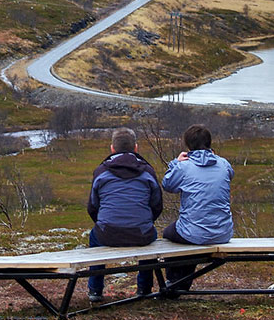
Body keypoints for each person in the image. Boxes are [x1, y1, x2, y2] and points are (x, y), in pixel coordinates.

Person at [87, 127, 162, 302]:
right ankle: (144, 288)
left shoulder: (101, 172)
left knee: (94, 238)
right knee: (152, 237)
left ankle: (95, 290)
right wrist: (144, 222)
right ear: (136, 148)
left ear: (112, 148)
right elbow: (157, 205)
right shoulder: (148, 171)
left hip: (106, 234)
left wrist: (104, 224)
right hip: (142, 234)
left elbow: (92, 207)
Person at [162, 124, 234, 294]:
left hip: (193, 233)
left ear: (188, 145)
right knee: (190, 233)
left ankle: (173, 283)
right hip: (223, 232)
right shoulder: (223, 164)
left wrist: (175, 163)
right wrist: (214, 159)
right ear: (209, 143)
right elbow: (230, 174)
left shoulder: (183, 166)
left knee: (170, 234)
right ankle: (181, 285)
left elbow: (167, 185)